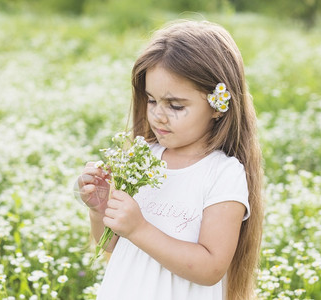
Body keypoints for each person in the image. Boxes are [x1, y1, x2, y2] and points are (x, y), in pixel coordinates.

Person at [77, 20, 264, 300]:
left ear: (218, 106)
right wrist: (100, 209)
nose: (158, 115)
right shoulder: (142, 158)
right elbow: (114, 244)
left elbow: (211, 267)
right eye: (151, 101)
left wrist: (139, 228)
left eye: (175, 105)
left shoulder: (222, 173)